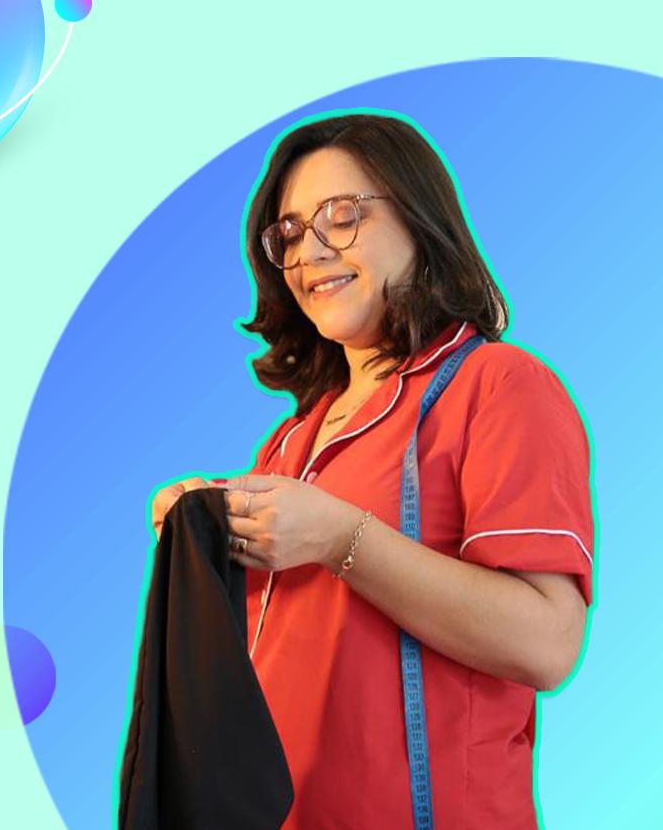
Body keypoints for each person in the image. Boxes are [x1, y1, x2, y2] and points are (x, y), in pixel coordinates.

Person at [149, 111, 595, 830]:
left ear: (419, 219)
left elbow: (547, 643)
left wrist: (340, 538)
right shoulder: (294, 441)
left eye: (343, 216)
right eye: (290, 233)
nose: (310, 252)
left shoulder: (499, 387)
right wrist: (206, 525)